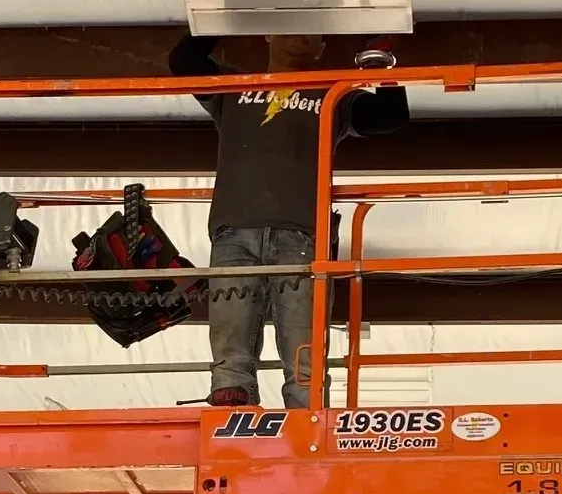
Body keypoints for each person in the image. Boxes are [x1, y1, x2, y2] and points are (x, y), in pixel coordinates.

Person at [169, 32, 409, 406]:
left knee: (302, 340)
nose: (301, 37)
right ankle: (233, 400)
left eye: (313, 36)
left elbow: (390, 117)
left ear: (322, 49)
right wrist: (222, 20)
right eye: (290, 28)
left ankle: (306, 414)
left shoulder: (334, 93)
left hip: (301, 235)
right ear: (267, 34)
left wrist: (384, 69)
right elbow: (184, 63)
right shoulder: (233, 87)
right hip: (236, 230)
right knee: (231, 325)